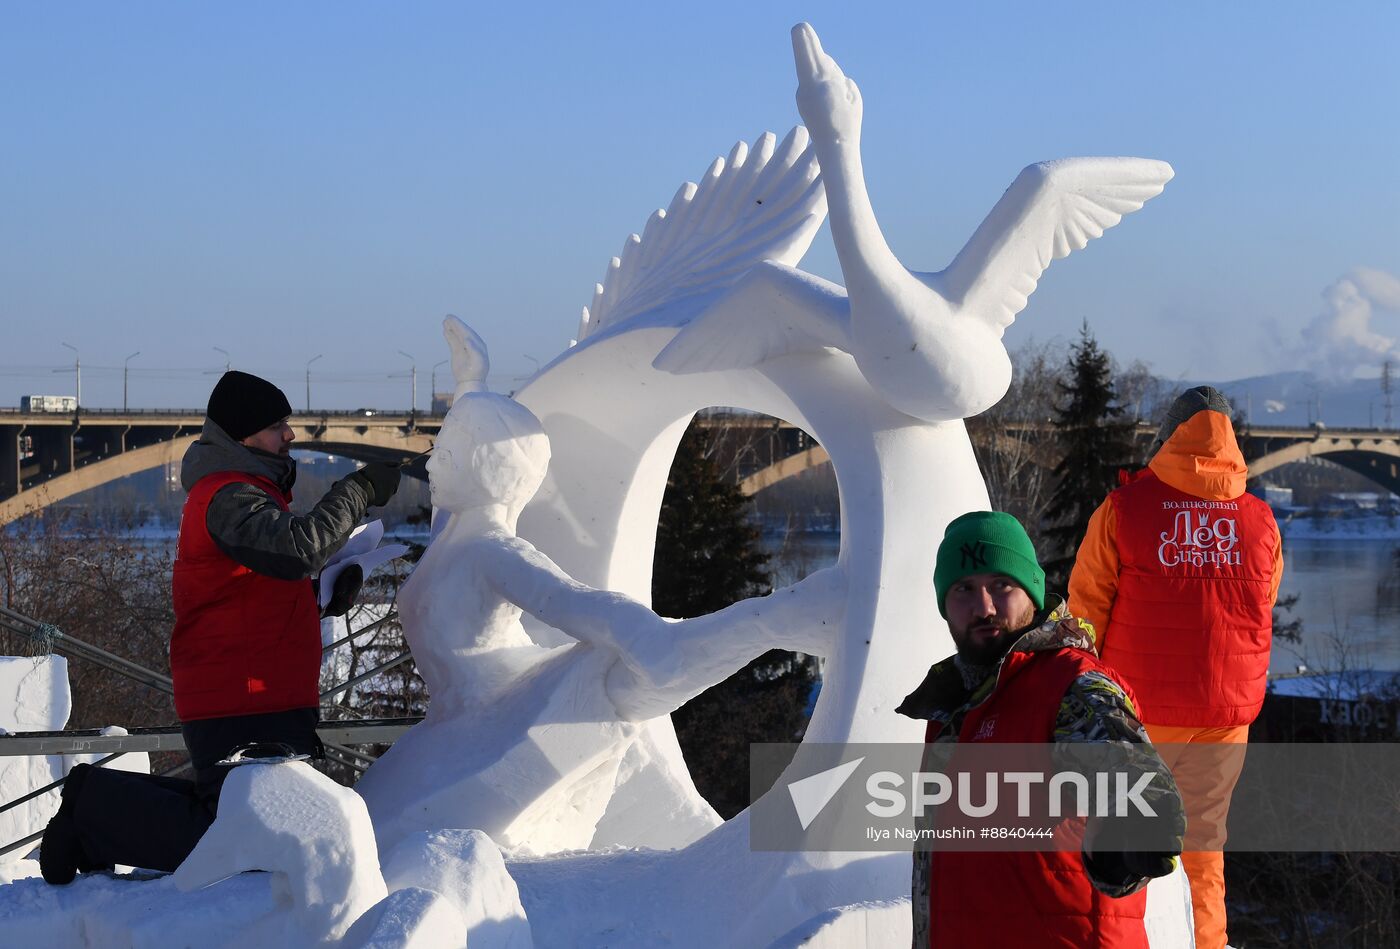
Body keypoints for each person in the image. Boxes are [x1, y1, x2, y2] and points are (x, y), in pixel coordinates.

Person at [40, 370, 403, 883]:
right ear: (244, 433)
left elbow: (254, 593)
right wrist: (359, 489)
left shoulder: (251, 495)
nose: (290, 436)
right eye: (279, 425)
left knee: (241, 824)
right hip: (241, 694)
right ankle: (91, 810)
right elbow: (299, 549)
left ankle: (94, 806)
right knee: (232, 837)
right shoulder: (228, 496)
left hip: (264, 689)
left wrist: (323, 595)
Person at [897, 511, 1184, 949]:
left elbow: (1125, 763)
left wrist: (1129, 836)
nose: (984, 607)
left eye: (1001, 585)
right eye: (963, 590)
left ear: (1031, 589)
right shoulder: (954, 708)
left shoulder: (1073, 685)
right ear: (944, 604)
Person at [1069, 385, 1282, 949]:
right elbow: (1263, 603)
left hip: (1140, 713)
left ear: (1165, 440)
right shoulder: (1260, 521)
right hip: (1225, 715)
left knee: (1122, 839)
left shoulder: (1125, 510)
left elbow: (1086, 611)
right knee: (1204, 847)